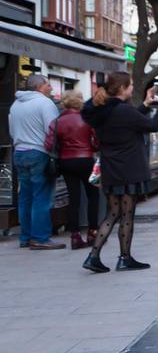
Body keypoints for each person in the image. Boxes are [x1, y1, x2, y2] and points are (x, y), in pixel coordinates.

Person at [81, 74, 158, 272]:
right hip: (130, 168)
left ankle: (93, 256)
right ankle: (124, 258)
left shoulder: (103, 110)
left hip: (111, 168)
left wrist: (145, 104)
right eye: (131, 85)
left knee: (112, 213)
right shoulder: (123, 110)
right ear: (122, 88)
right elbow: (152, 125)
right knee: (127, 215)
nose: (132, 88)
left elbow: (130, 120)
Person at [7, 74, 62, 250]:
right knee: (42, 197)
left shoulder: (16, 105)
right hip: (39, 152)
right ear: (39, 86)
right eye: (48, 85)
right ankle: (40, 238)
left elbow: (12, 130)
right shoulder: (45, 103)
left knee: (25, 197)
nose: (51, 88)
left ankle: (26, 237)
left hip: (19, 152)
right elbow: (52, 130)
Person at [48, 91, 100, 249]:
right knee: (93, 196)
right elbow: (97, 142)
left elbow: (49, 145)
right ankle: (92, 232)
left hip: (66, 162)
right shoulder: (88, 119)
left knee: (74, 199)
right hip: (87, 161)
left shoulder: (57, 122)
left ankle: (75, 236)